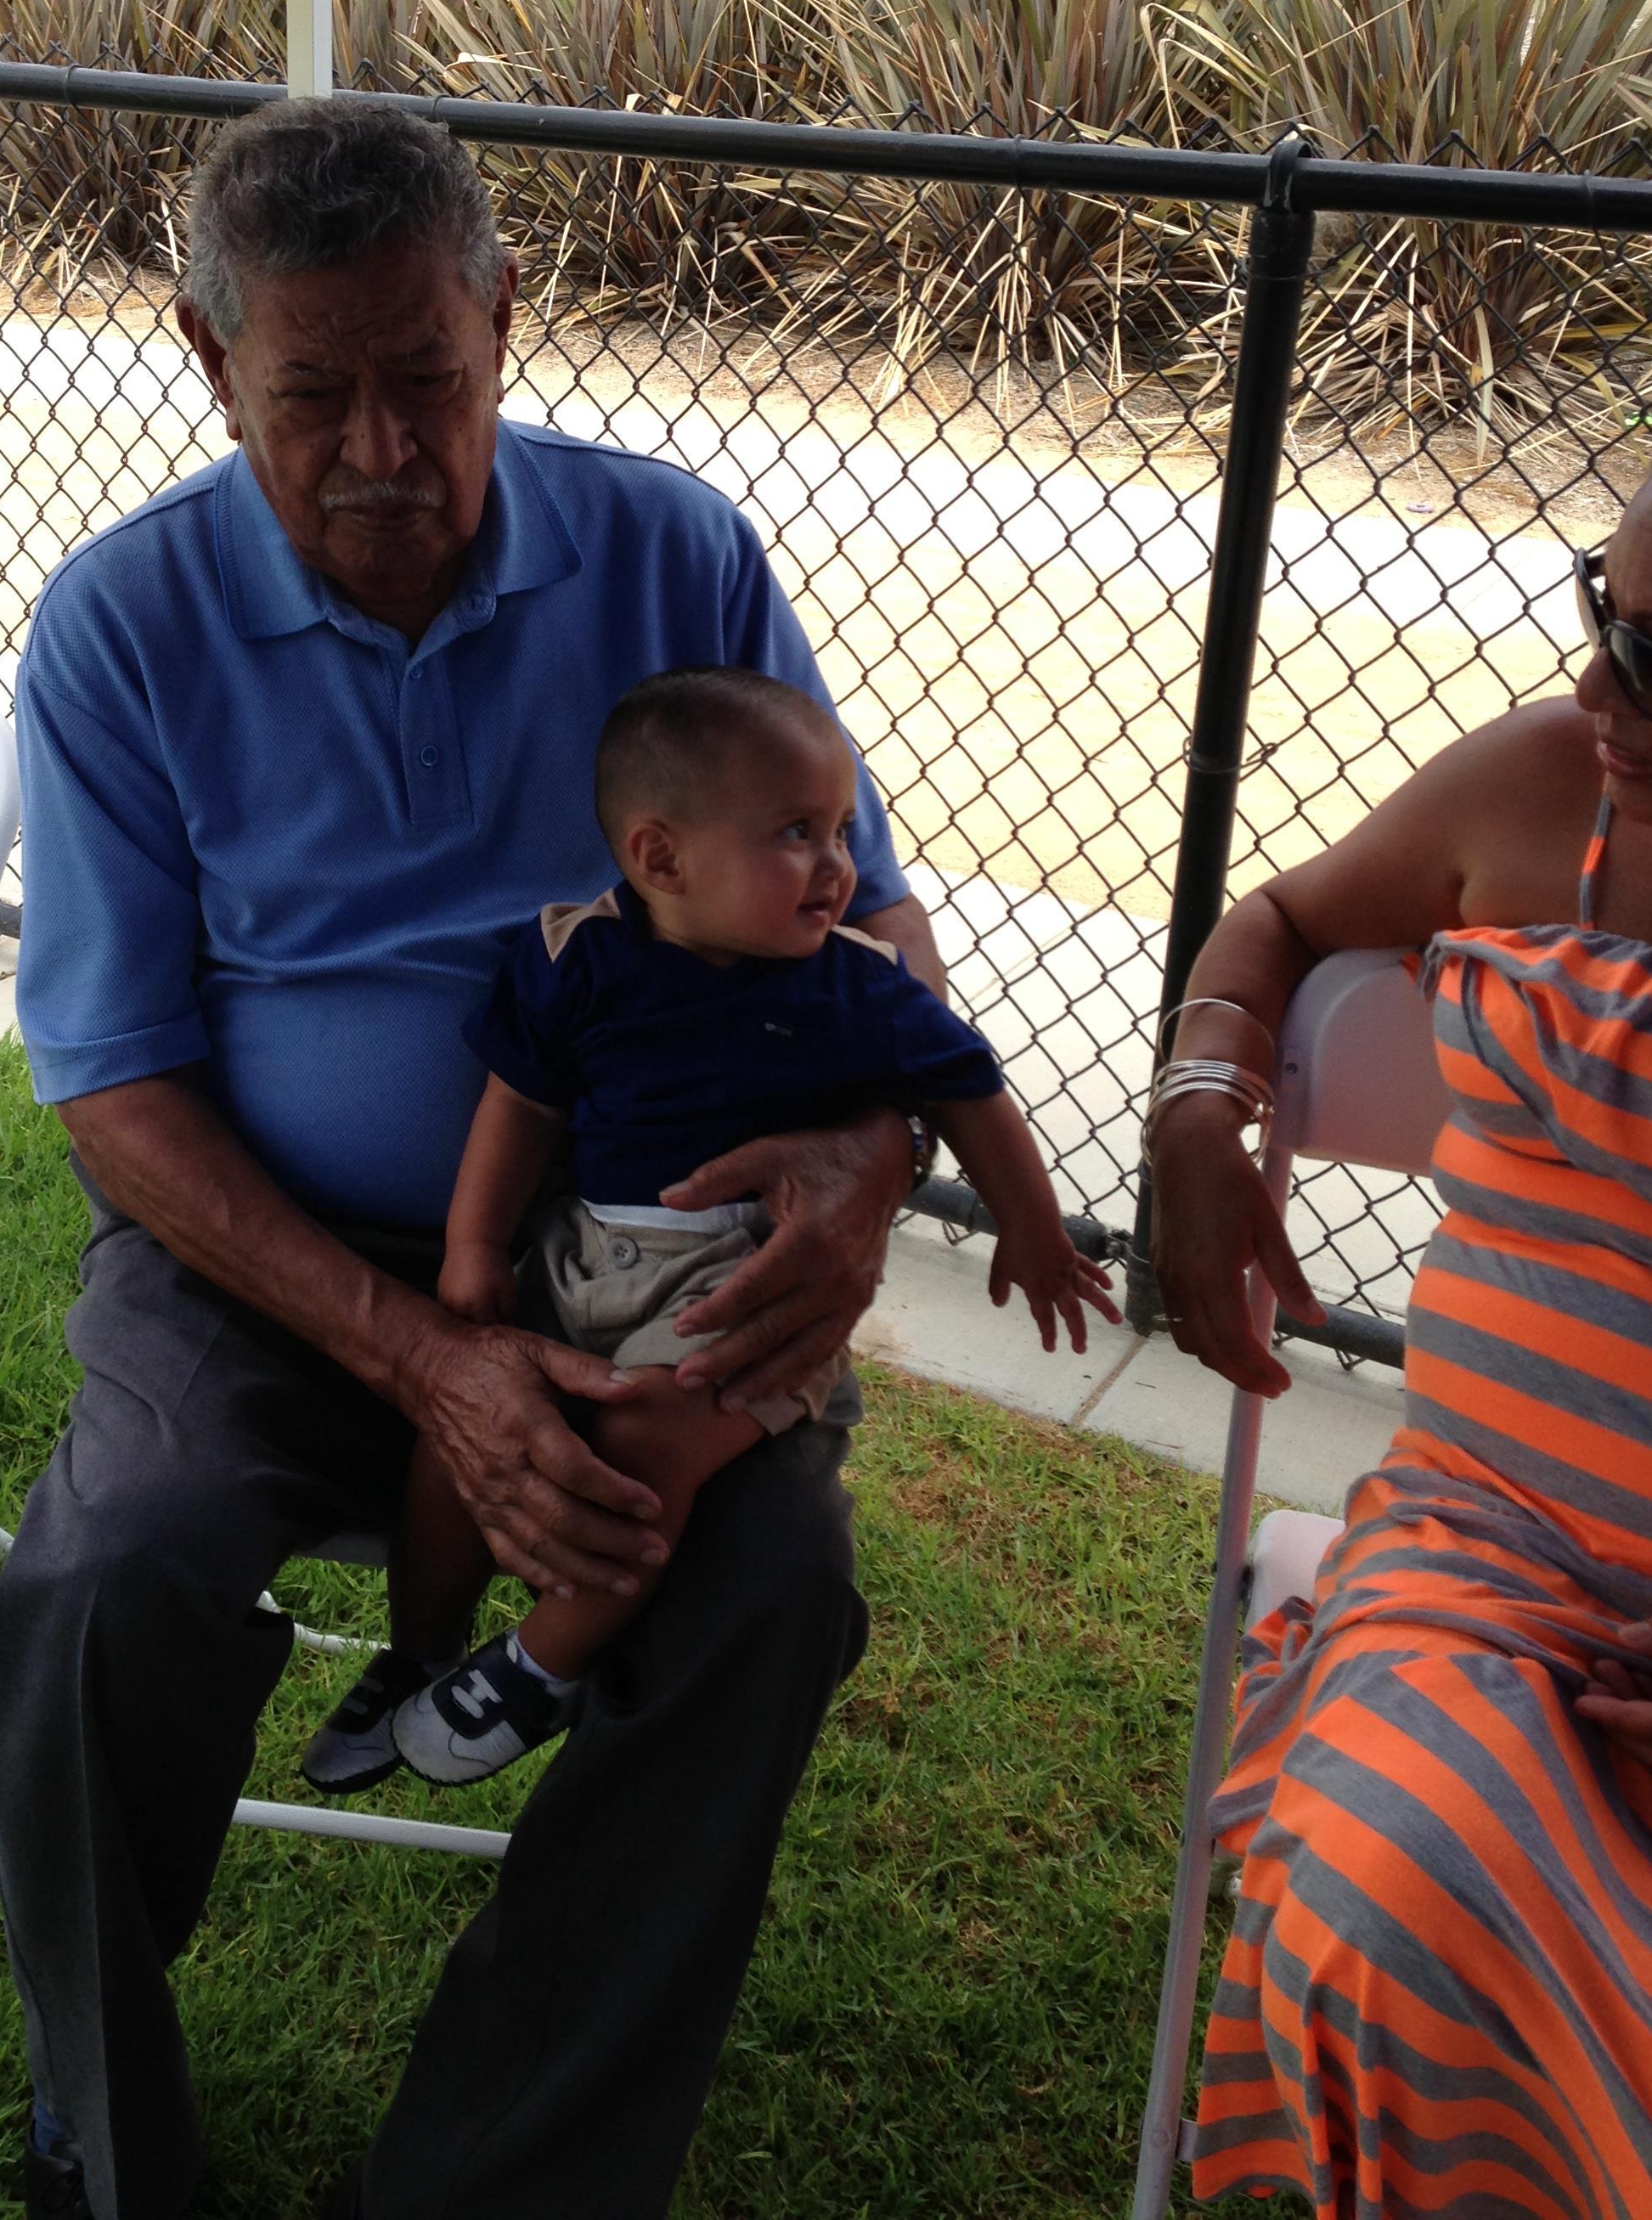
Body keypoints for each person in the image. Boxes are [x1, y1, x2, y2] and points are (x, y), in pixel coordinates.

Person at [0, 96, 957, 2220]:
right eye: (315, 395)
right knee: (93, 1585)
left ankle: (501, 2183)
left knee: (768, 1587)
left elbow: (863, 904)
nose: (384, 451)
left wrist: (872, 1160)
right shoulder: (123, 627)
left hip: (641, 1253)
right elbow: (114, 1081)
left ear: (511, 318)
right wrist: (433, 1359)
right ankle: (104, 2151)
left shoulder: (674, 555)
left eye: (431, 378)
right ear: (214, 362)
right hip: (267, 1260)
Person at [301, 666, 1119, 1796]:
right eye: (797, 833)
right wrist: (475, 1247)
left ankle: (542, 1664)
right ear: (660, 859)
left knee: (653, 1444)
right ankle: (420, 1653)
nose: (839, 865)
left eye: (841, 828)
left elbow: (970, 1090)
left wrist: (1026, 1229)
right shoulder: (578, 958)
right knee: (461, 1431)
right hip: (581, 1251)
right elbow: (521, 1108)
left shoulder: (857, 987)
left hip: (741, 1286)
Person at [1147, 474, 1652, 2219]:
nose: (1598, 681)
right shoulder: (1543, 788)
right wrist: (1201, 1108)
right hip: (1482, 1557)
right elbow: (1277, 926)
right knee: (1400, 1893)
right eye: (1606, 607)